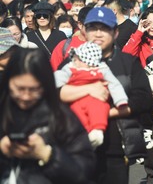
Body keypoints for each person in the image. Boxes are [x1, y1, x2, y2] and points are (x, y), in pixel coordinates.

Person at [59, 7, 153, 184]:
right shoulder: (72, 61)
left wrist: (106, 113)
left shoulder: (128, 62)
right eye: (93, 28)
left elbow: (144, 99)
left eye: (105, 29)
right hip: (76, 145)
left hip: (116, 149)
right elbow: (54, 93)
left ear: (115, 33)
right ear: (84, 31)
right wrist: (88, 90)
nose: (98, 34)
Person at [0, 47, 95, 183]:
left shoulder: (62, 118)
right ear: (8, 82)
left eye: (34, 89)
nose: (26, 96)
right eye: (19, 89)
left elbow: (84, 172)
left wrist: (47, 154)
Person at [54, 41, 128, 148]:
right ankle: (83, 135)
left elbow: (114, 84)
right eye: (75, 58)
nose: (75, 60)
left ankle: (97, 132)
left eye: (79, 58)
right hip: (76, 99)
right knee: (76, 113)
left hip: (96, 98)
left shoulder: (102, 69)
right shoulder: (70, 67)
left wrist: (120, 100)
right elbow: (59, 76)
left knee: (99, 110)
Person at [50, 6, 91, 71]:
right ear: (80, 24)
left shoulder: (103, 46)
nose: (95, 29)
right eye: (90, 25)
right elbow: (55, 72)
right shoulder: (64, 45)